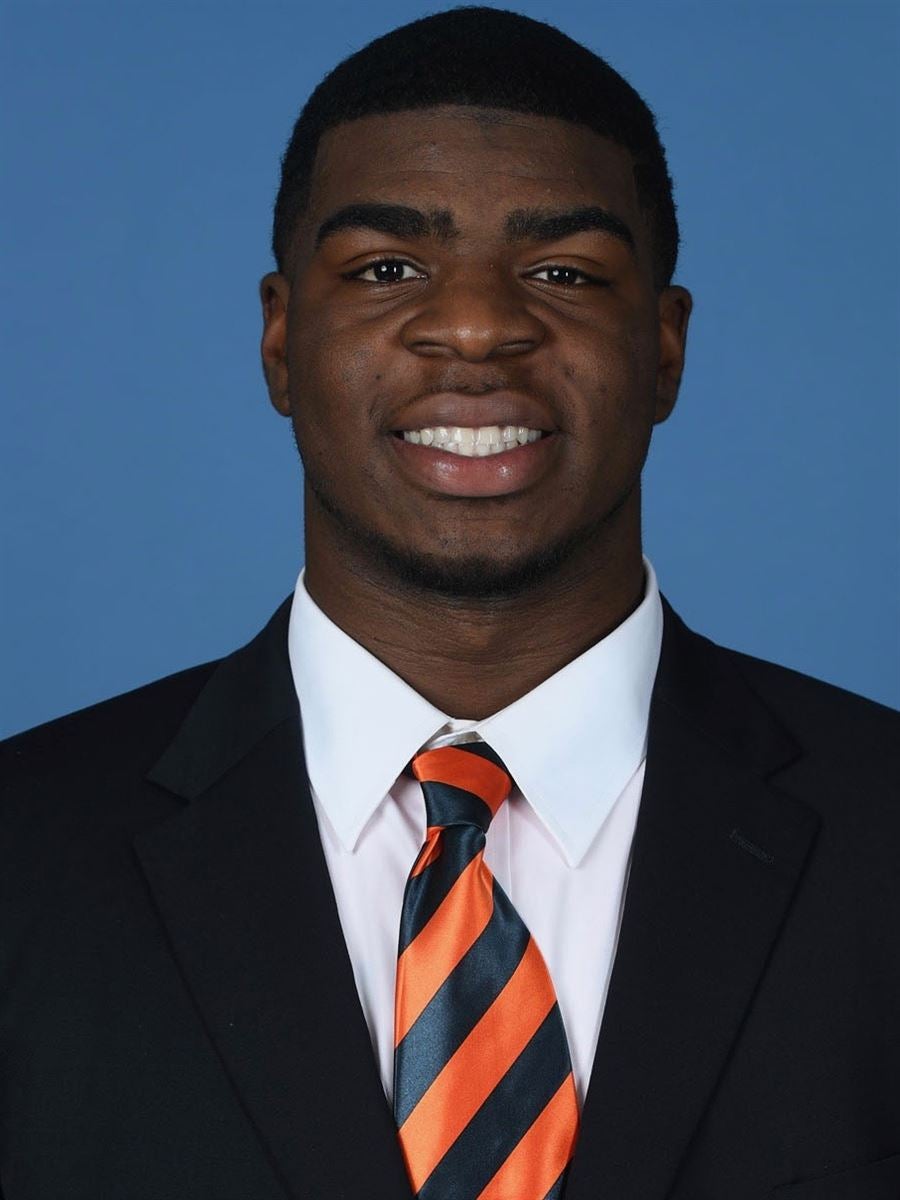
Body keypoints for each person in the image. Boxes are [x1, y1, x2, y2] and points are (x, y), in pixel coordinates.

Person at [1, 7, 898, 1199]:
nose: (476, 328)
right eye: (387, 269)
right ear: (280, 340)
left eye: (563, 273)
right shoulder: (22, 854)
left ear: (666, 349)